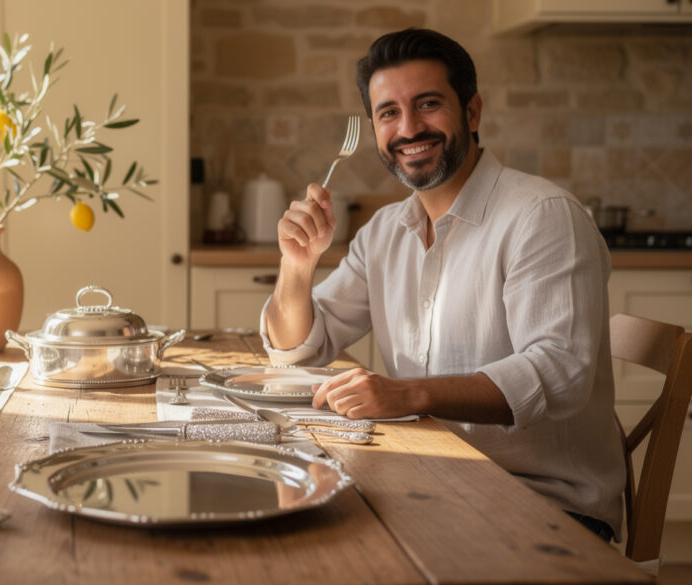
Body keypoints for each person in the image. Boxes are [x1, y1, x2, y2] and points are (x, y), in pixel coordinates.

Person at [261, 27, 625, 542]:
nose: (409, 128)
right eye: (389, 113)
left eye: (428, 104)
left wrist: (407, 394)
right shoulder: (386, 231)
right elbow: (298, 351)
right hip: (426, 480)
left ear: (471, 112)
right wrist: (297, 267)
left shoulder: (542, 216)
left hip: (543, 506)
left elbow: (559, 372)